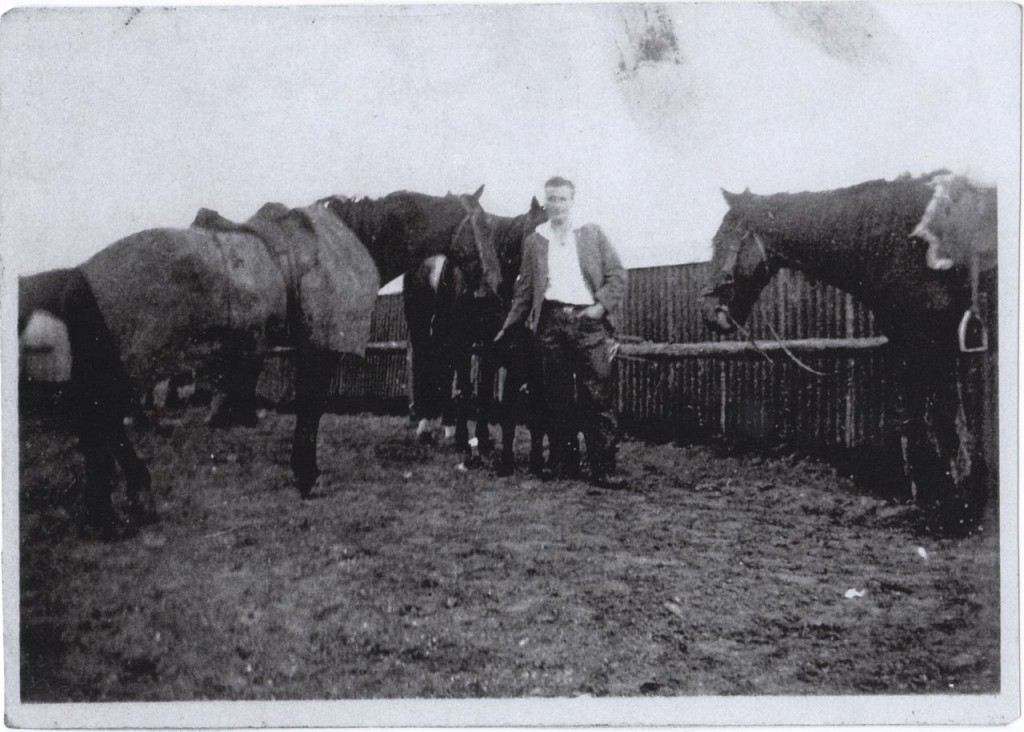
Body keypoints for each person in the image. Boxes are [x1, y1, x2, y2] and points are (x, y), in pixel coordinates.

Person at [494, 176, 628, 488]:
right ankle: (564, 463)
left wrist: (599, 308)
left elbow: (617, 275)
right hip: (551, 324)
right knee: (557, 398)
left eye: (562, 199)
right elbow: (525, 290)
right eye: (551, 199)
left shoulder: (591, 233)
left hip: (588, 322)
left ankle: (603, 468)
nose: (556, 205)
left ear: (572, 200)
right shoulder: (536, 240)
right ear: (546, 203)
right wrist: (508, 327)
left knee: (598, 395)